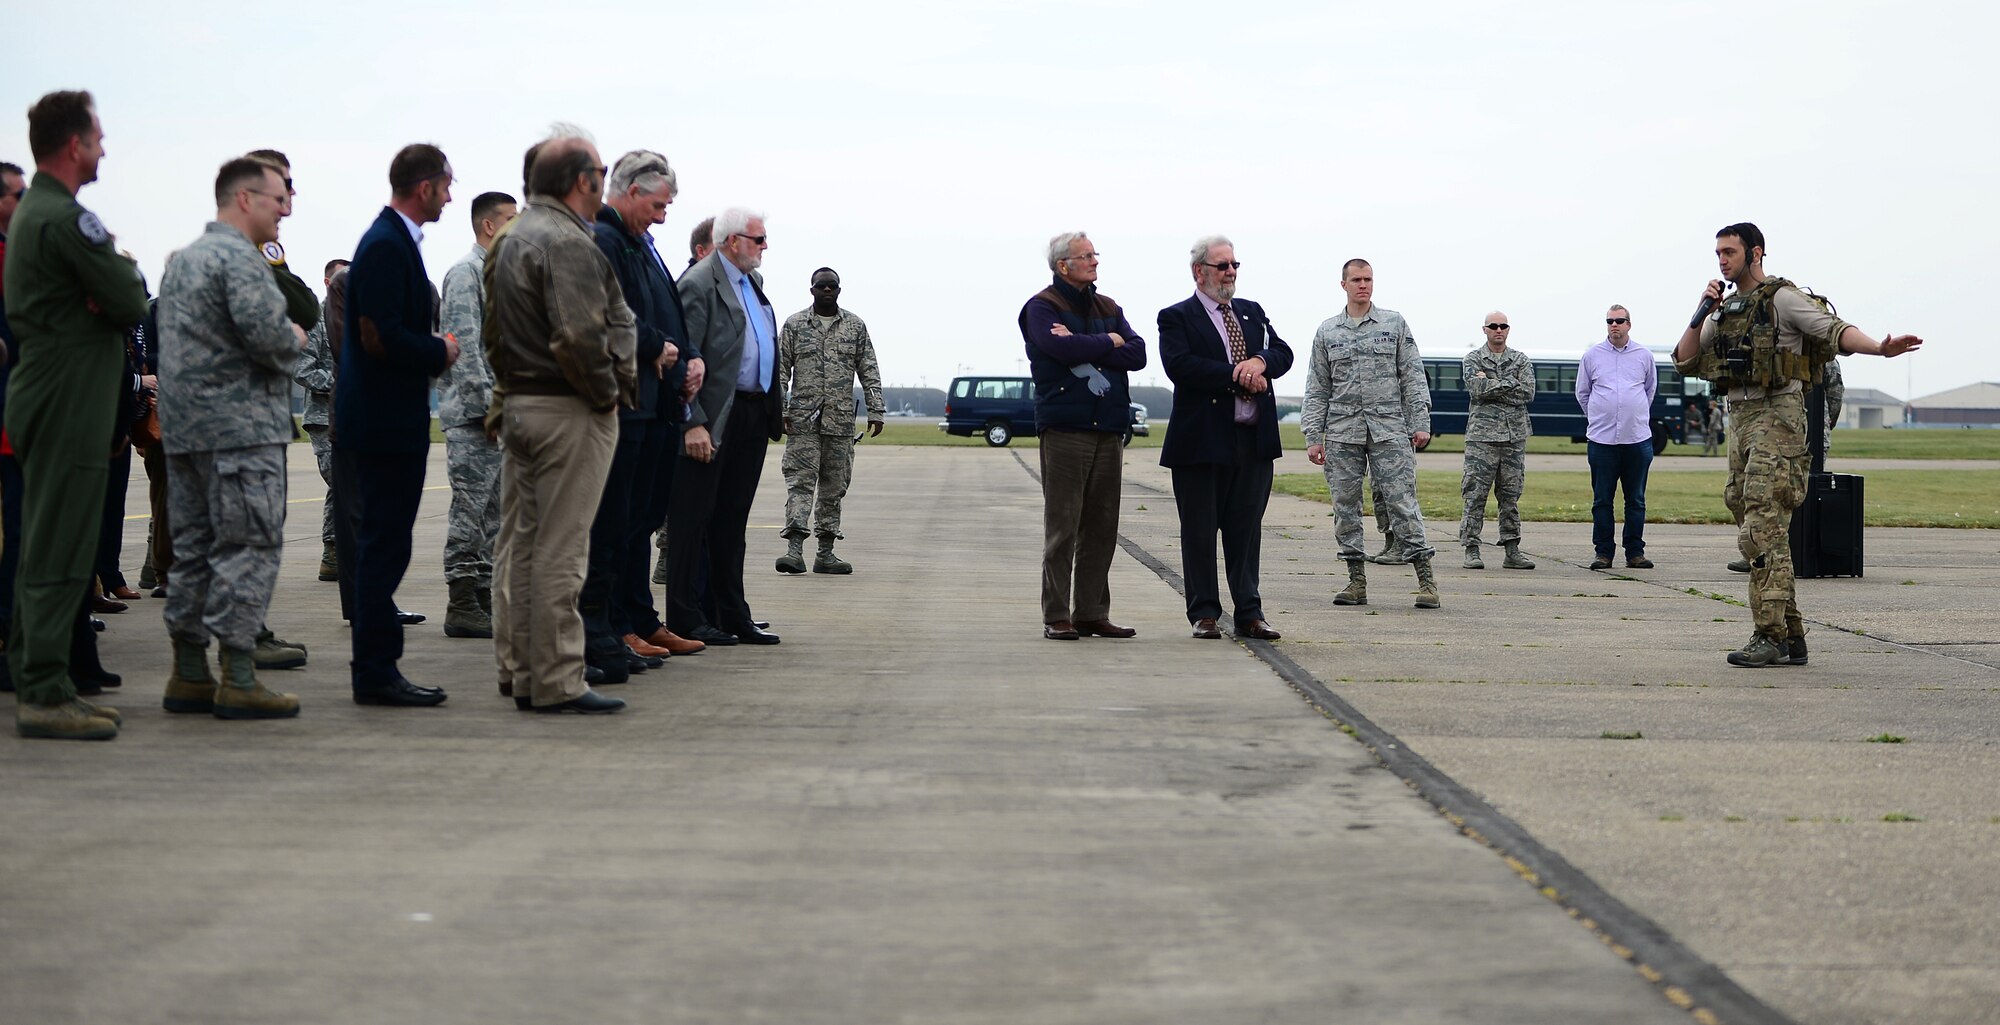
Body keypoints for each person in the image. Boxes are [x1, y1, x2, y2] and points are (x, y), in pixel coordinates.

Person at [1674, 222, 1920, 667]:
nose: (1723, 260)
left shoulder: (1783, 299)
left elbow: (1834, 330)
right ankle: (1792, 633)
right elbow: (1685, 358)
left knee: (1761, 528)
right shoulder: (1725, 308)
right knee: (1750, 517)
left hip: (1779, 415)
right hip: (1741, 418)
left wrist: (1880, 349)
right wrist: (1701, 309)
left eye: (1730, 252)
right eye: (1718, 254)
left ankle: (1768, 635)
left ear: (1756, 253)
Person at [3, 90, 148, 738]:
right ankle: (43, 691)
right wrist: (110, 280)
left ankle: (49, 680)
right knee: (60, 550)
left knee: (49, 545)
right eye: (97, 138)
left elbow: (117, 299)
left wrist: (106, 292)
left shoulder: (38, 213)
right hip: (66, 398)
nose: (103, 149)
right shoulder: (65, 218)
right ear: (73, 145)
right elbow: (128, 295)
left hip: (52, 391)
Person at [485, 128, 635, 713]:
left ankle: (521, 669)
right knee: (561, 552)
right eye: (598, 170)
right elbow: (578, 335)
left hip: (521, 402)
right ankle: (557, 679)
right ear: (582, 180)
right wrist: (606, 395)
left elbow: (494, 333)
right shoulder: (567, 241)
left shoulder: (513, 234)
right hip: (566, 409)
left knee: (522, 545)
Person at [154, 157, 308, 719]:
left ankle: (188, 670)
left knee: (193, 551)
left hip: (188, 433)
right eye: (276, 199)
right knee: (248, 548)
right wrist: (292, 333)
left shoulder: (184, 261)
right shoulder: (240, 261)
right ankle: (238, 674)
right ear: (243, 199)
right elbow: (272, 339)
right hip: (241, 435)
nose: (284, 208)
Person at [332, 143, 461, 707]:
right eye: (446, 185)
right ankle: (375, 671)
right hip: (383, 424)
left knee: (388, 545)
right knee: (383, 547)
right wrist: (439, 350)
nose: (451, 196)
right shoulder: (385, 244)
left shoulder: (395, 241)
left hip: (392, 421)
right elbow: (376, 336)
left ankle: (378, 666)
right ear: (424, 185)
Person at [589, 151, 705, 663]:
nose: (663, 215)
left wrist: (691, 358)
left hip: (657, 401)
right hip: (630, 402)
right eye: (659, 205)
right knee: (622, 524)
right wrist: (658, 348)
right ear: (632, 191)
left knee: (642, 520)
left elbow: (663, 312)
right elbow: (620, 319)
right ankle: (618, 625)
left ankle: (639, 619)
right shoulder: (608, 239)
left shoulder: (640, 243)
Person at [1157, 235, 1291, 639]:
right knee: (1199, 530)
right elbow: (1181, 366)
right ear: (1199, 272)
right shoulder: (1176, 317)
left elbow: (1282, 351)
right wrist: (1237, 374)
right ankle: (1204, 613)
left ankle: (1250, 613)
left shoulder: (1251, 313)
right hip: (1201, 445)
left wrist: (1259, 362)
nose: (1231, 272)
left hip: (1252, 443)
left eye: (1234, 265)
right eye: (1222, 266)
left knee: (1246, 531)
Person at [1020, 231, 1148, 640]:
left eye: (1095, 254)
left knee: (1102, 525)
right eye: (1086, 256)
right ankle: (1056, 614)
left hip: (1109, 428)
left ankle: (1091, 612)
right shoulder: (1041, 307)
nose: (1095, 261)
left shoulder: (1109, 306)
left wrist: (1090, 342)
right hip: (1065, 428)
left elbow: (1138, 353)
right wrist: (1109, 342)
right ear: (1063, 265)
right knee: (1063, 524)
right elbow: (1058, 350)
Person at [666, 206, 783, 646]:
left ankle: (731, 613)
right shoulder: (699, 283)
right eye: (758, 239)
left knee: (732, 523)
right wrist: (691, 422)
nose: (765, 247)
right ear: (732, 241)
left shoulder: (751, 283)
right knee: (692, 521)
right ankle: (684, 616)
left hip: (750, 415)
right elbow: (682, 357)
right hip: (712, 420)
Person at [1302, 259, 1438, 609]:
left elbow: (1412, 375)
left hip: (1389, 428)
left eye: (1368, 279)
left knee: (1402, 502)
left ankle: (1426, 582)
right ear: (1343, 284)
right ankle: (1355, 581)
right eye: (1357, 280)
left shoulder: (1393, 324)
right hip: (1342, 431)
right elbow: (1318, 387)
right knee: (1345, 506)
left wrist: (1420, 421)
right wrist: (1312, 435)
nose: (1363, 285)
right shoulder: (1328, 331)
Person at [436, 190, 517, 640]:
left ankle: (482, 594)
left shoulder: (498, 275)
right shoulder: (467, 274)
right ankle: (462, 599)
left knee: (495, 516)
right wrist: (491, 410)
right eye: (510, 219)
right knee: (470, 511)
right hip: (475, 419)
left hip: (499, 418)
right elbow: (464, 351)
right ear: (489, 226)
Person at [774, 267, 885, 575]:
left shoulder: (854, 326)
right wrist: (780, 409)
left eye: (832, 286)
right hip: (802, 423)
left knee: (834, 488)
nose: (827, 290)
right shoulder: (795, 325)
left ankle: (826, 552)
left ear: (839, 290)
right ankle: (793, 551)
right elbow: (781, 371)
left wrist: (876, 410)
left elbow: (869, 369)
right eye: (821, 286)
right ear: (811, 290)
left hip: (840, 423)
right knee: (800, 485)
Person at [1576, 305, 1656, 570]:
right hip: (1602, 441)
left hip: (1636, 439)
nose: (1614, 325)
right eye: (1610, 321)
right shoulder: (1592, 356)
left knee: (1636, 499)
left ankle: (1635, 552)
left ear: (1629, 324)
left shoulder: (1644, 355)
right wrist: (1601, 416)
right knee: (1602, 500)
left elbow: (1649, 391)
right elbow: (1583, 393)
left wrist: (1633, 414)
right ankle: (1603, 553)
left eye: (1619, 321)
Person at [1459, 311, 1536, 570]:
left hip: (1514, 438)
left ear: (1508, 329)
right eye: (1493, 326)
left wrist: (1491, 383)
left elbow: (1528, 392)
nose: (1498, 330)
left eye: (1503, 326)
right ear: (1485, 329)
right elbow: (1476, 391)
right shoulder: (1473, 359)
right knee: (1475, 495)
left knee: (1510, 496)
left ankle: (1512, 550)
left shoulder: (1520, 359)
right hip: (1482, 439)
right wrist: (1509, 383)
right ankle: (1471, 549)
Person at [294, 258, 348, 580]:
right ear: (328, 282)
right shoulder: (317, 320)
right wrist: (342, 381)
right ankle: (332, 551)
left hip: (349, 415)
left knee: (345, 484)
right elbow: (302, 369)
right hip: (323, 417)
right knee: (340, 482)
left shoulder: (353, 317)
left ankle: (336, 553)